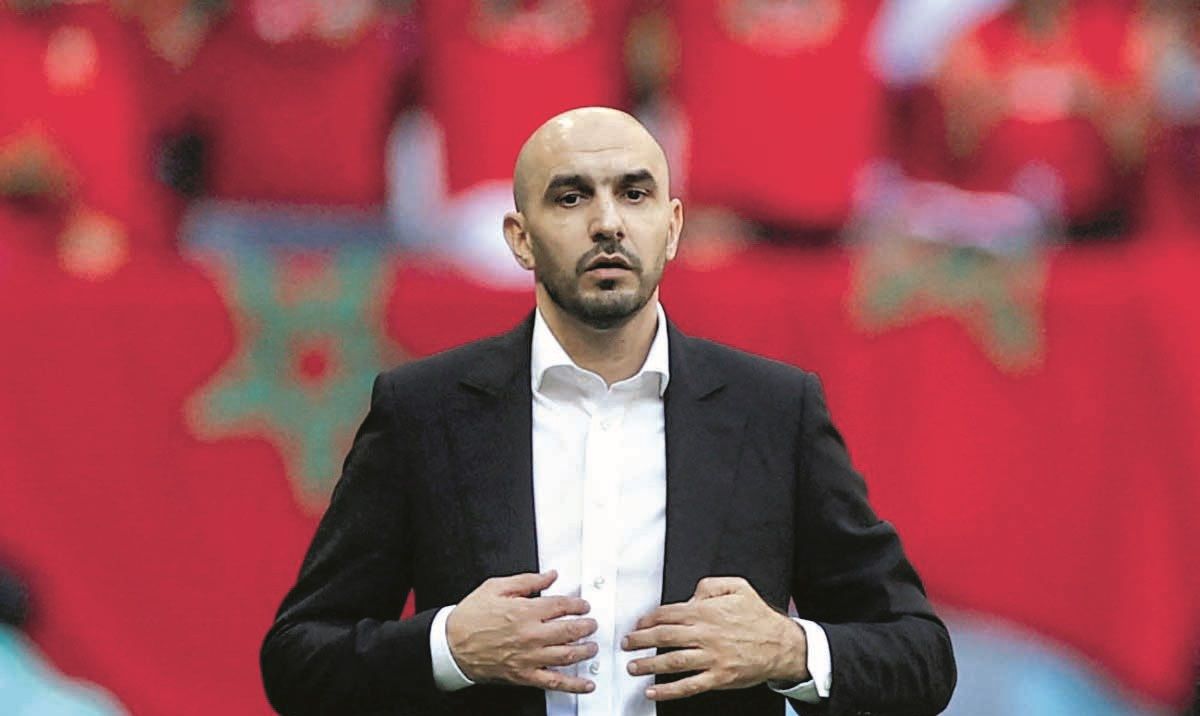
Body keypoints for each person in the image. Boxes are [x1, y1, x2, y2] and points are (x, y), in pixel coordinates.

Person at [261, 107, 956, 716]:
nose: (607, 223)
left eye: (634, 194)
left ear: (672, 226)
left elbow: (920, 657)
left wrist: (788, 649)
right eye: (570, 198)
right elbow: (298, 660)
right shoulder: (423, 411)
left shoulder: (774, 410)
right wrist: (449, 648)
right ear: (520, 237)